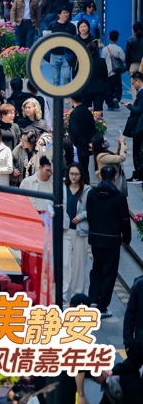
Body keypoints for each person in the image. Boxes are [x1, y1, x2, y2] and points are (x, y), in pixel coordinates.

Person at [86, 164, 132, 318]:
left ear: (100, 177)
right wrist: (127, 238)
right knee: (109, 273)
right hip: (112, 241)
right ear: (115, 177)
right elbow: (125, 220)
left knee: (96, 269)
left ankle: (93, 300)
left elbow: (90, 213)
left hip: (95, 238)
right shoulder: (119, 197)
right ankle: (103, 306)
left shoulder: (92, 194)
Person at [64, 163, 92, 302]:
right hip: (65, 230)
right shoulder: (63, 188)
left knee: (79, 265)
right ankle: (62, 296)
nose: (73, 177)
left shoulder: (87, 190)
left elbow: (92, 208)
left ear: (81, 175)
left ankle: (77, 297)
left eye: (76, 174)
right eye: (71, 174)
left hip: (81, 232)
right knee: (64, 263)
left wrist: (82, 216)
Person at [47, 7, 78, 85]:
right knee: (55, 79)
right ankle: (57, 96)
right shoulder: (52, 25)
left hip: (67, 56)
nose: (66, 14)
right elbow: (47, 39)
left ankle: (66, 95)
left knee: (66, 77)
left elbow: (75, 40)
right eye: (64, 13)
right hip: (54, 55)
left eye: (67, 13)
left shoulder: (72, 26)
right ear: (59, 14)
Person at [68, 93, 96, 173]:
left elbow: (77, 132)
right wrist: (90, 142)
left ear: (72, 100)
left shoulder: (74, 113)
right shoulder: (87, 111)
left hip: (78, 147)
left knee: (78, 170)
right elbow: (92, 129)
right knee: (85, 170)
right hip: (87, 148)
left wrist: (85, 144)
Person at [103, 30, 126, 109]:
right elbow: (123, 59)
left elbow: (102, 59)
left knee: (108, 89)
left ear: (109, 37)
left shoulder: (105, 49)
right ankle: (116, 98)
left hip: (107, 72)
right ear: (118, 38)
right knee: (118, 87)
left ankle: (110, 105)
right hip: (116, 72)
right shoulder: (119, 49)